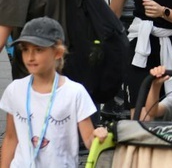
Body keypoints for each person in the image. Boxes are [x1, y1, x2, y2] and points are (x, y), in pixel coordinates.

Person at [0, 17, 108, 167]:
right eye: (25, 49)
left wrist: (99, 136)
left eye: (38, 50)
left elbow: (89, 140)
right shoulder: (15, 90)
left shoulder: (74, 92)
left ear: (57, 53)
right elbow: (11, 138)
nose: (30, 57)